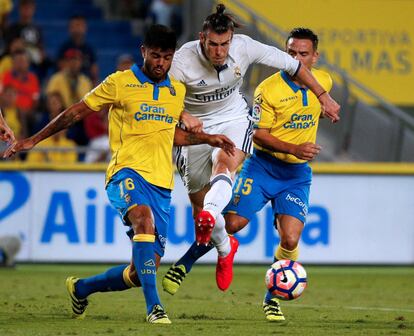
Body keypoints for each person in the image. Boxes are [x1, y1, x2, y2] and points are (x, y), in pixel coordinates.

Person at [4, 24, 235, 324]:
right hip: (125, 172)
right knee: (143, 219)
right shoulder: (120, 83)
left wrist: (208, 138)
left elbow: (169, 136)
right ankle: (155, 308)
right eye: (155, 56)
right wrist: (32, 140)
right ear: (143, 52)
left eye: (166, 57)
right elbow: (76, 112)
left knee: (141, 272)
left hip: (162, 185)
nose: (160, 63)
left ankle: (81, 288)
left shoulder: (177, 91)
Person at [162, 4, 340, 295]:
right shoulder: (182, 62)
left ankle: (270, 297)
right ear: (201, 38)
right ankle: (223, 245)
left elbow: (295, 70)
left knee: (225, 166)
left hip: (234, 120)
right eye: (213, 44)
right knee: (206, 209)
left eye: (224, 44)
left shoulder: (245, 47)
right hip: (200, 128)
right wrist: (182, 115)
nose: (219, 51)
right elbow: (165, 96)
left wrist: (324, 97)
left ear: (232, 39)